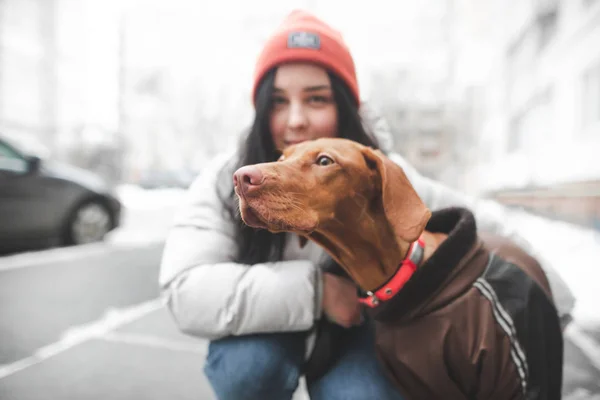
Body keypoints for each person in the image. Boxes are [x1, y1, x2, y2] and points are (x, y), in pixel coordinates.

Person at [159, 10, 575, 400]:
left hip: (361, 327)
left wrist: (552, 314)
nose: (296, 120)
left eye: (316, 99)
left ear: (344, 105)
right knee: (248, 369)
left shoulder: (377, 173)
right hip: (267, 328)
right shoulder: (229, 178)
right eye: (278, 101)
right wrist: (316, 293)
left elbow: (491, 227)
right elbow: (185, 290)